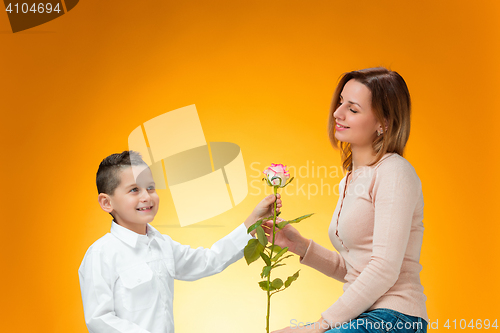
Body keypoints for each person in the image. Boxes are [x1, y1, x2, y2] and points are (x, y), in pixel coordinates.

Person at [266, 67, 428, 333]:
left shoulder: (395, 172)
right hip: (364, 315)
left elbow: (385, 269)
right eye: (341, 102)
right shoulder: (351, 179)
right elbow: (356, 270)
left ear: (383, 123)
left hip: (394, 319)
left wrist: (320, 326)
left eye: (353, 109)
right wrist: (301, 246)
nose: (337, 113)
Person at [78, 150, 281, 333]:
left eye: (150, 188)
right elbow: (99, 320)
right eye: (134, 190)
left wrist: (252, 222)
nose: (146, 197)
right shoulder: (101, 254)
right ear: (107, 202)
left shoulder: (162, 245)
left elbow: (209, 260)